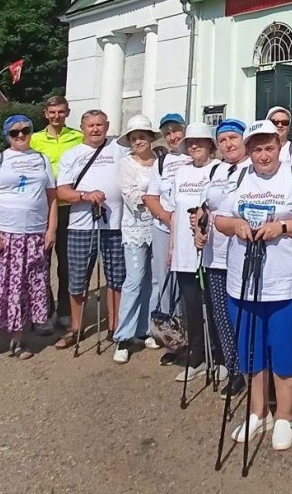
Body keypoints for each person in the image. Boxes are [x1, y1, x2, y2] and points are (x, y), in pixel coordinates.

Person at [213, 119, 292, 452]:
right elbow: (220, 219)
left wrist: (284, 227)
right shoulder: (240, 176)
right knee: (252, 349)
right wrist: (236, 225)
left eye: (269, 147)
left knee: (285, 349)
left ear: (279, 147)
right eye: (257, 148)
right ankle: (258, 411)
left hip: (286, 281)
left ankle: (285, 415)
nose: (263, 155)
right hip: (244, 279)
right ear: (249, 151)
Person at [0, 115, 56, 363]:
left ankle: (19, 337)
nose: (21, 135)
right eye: (14, 133)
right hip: (2, 234)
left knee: (24, 287)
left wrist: (51, 229)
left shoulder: (41, 159)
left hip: (32, 235)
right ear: (7, 136)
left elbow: (52, 197)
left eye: (25, 130)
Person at [146, 122, 219, 382]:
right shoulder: (181, 172)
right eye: (191, 142)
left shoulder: (218, 170)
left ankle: (219, 356)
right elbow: (175, 212)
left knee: (212, 306)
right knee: (190, 307)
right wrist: (173, 248)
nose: (195, 146)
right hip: (183, 252)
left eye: (200, 141)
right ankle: (196, 355)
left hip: (208, 252)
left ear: (211, 145)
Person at [53, 110, 126, 349]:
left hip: (115, 225)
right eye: (90, 125)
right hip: (81, 226)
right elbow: (62, 191)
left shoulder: (119, 149)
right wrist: (85, 196)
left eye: (100, 125)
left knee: (116, 278)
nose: (95, 129)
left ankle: (115, 326)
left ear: (107, 126)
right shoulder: (71, 154)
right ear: (82, 128)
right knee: (77, 279)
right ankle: (76, 327)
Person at [195, 118, 250, 396]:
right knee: (220, 313)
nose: (229, 144)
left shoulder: (253, 168)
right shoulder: (216, 169)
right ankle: (234, 367)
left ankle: (253, 367)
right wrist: (198, 228)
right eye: (223, 140)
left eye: (233, 138)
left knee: (240, 313)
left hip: (240, 254)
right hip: (214, 253)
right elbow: (205, 206)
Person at [29, 96, 83, 334]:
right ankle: (44, 310)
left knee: (67, 263)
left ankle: (63, 310)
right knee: (42, 261)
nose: (56, 116)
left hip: (70, 207)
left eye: (61, 112)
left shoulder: (78, 137)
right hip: (42, 207)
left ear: (67, 112)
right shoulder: (34, 139)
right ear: (45, 113)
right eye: (52, 112)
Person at [112, 115, 164, 364]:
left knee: (153, 280)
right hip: (136, 226)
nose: (138, 141)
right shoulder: (126, 164)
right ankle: (123, 336)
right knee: (134, 279)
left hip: (159, 224)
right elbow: (130, 193)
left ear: (151, 138)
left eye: (142, 136)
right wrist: (152, 200)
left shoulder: (160, 161)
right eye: (134, 138)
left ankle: (147, 328)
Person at [148, 112, 190, 337]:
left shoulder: (194, 156)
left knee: (189, 281)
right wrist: (166, 216)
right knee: (164, 278)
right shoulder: (161, 162)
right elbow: (151, 197)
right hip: (165, 227)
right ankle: (170, 331)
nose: (173, 136)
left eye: (176, 131)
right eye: (168, 133)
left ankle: (191, 329)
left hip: (191, 229)